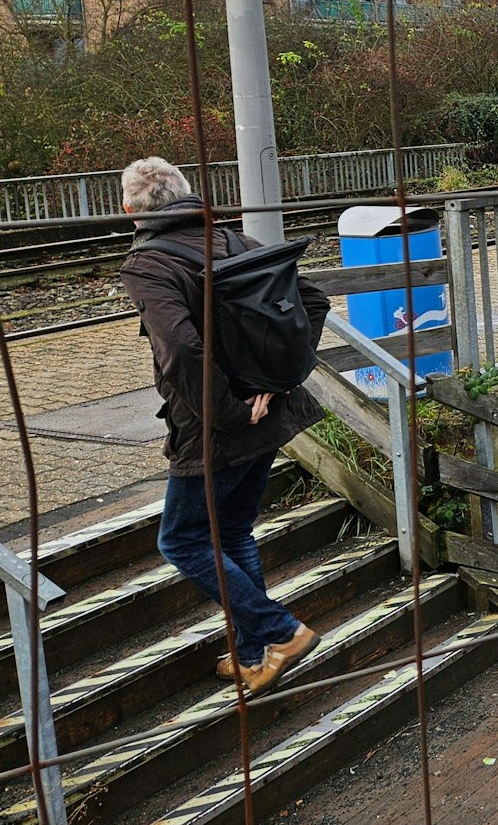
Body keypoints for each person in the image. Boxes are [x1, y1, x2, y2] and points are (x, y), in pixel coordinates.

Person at [118, 157, 329, 695]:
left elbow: (183, 351)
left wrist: (233, 413)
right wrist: (280, 381)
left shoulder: (149, 265)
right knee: (231, 532)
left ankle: (279, 631)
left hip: (217, 427)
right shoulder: (239, 242)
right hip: (268, 416)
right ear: (188, 196)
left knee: (182, 539)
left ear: (129, 211)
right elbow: (313, 301)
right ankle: (254, 656)